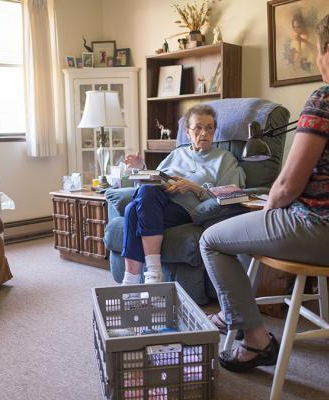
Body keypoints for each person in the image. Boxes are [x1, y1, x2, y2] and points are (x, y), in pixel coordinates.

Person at [199, 14, 329, 373]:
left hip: (318, 227)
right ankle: (232, 311)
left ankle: (255, 340)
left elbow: (288, 185)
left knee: (212, 240)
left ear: (326, 52)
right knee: (239, 236)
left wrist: (267, 211)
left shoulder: (323, 99)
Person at [121, 104, 246, 285]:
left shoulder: (224, 159)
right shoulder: (176, 153)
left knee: (132, 211)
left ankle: (139, 278)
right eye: (198, 128)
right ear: (187, 132)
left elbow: (232, 194)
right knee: (145, 192)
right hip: (161, 203)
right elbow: (155, 180)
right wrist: (141, 168)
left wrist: (195, 188)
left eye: (209, 128)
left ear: (215, 130)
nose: (204, 133)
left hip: (188, 209)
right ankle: (145, 278)